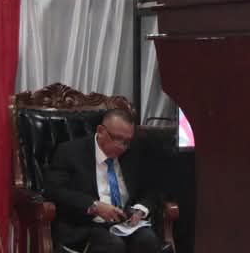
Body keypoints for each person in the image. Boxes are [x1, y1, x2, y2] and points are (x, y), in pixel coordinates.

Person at [44, 108, 163, 253]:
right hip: (86, 224)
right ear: (100, 131)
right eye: (116, 138)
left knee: (148, 240)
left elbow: (151, 188)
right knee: (112, 245)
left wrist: (140, 210)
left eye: (126, 141)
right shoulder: (70, 152)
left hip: (125, 223)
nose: (121, 146)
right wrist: (93, 205)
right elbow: (55, 190)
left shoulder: (134, 152)